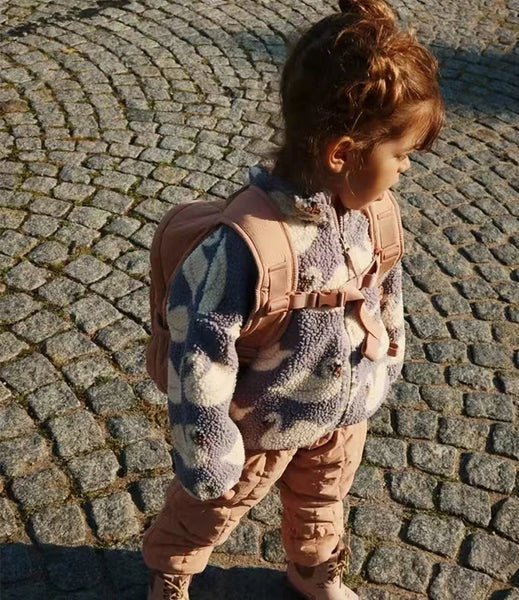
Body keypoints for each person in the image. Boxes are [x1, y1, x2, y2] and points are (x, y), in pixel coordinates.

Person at [142, 0, 444, 598]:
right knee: (209, 511)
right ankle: (171, 575)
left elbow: (385, 286)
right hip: (260, 423)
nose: (406, 169)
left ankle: (312, 571)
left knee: (323, 498)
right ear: (343, 153)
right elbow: (198, 351)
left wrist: (388, 353)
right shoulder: (248, 245)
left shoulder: (373, 212)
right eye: (400, 154)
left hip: (341, 410)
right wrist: (211, 449)